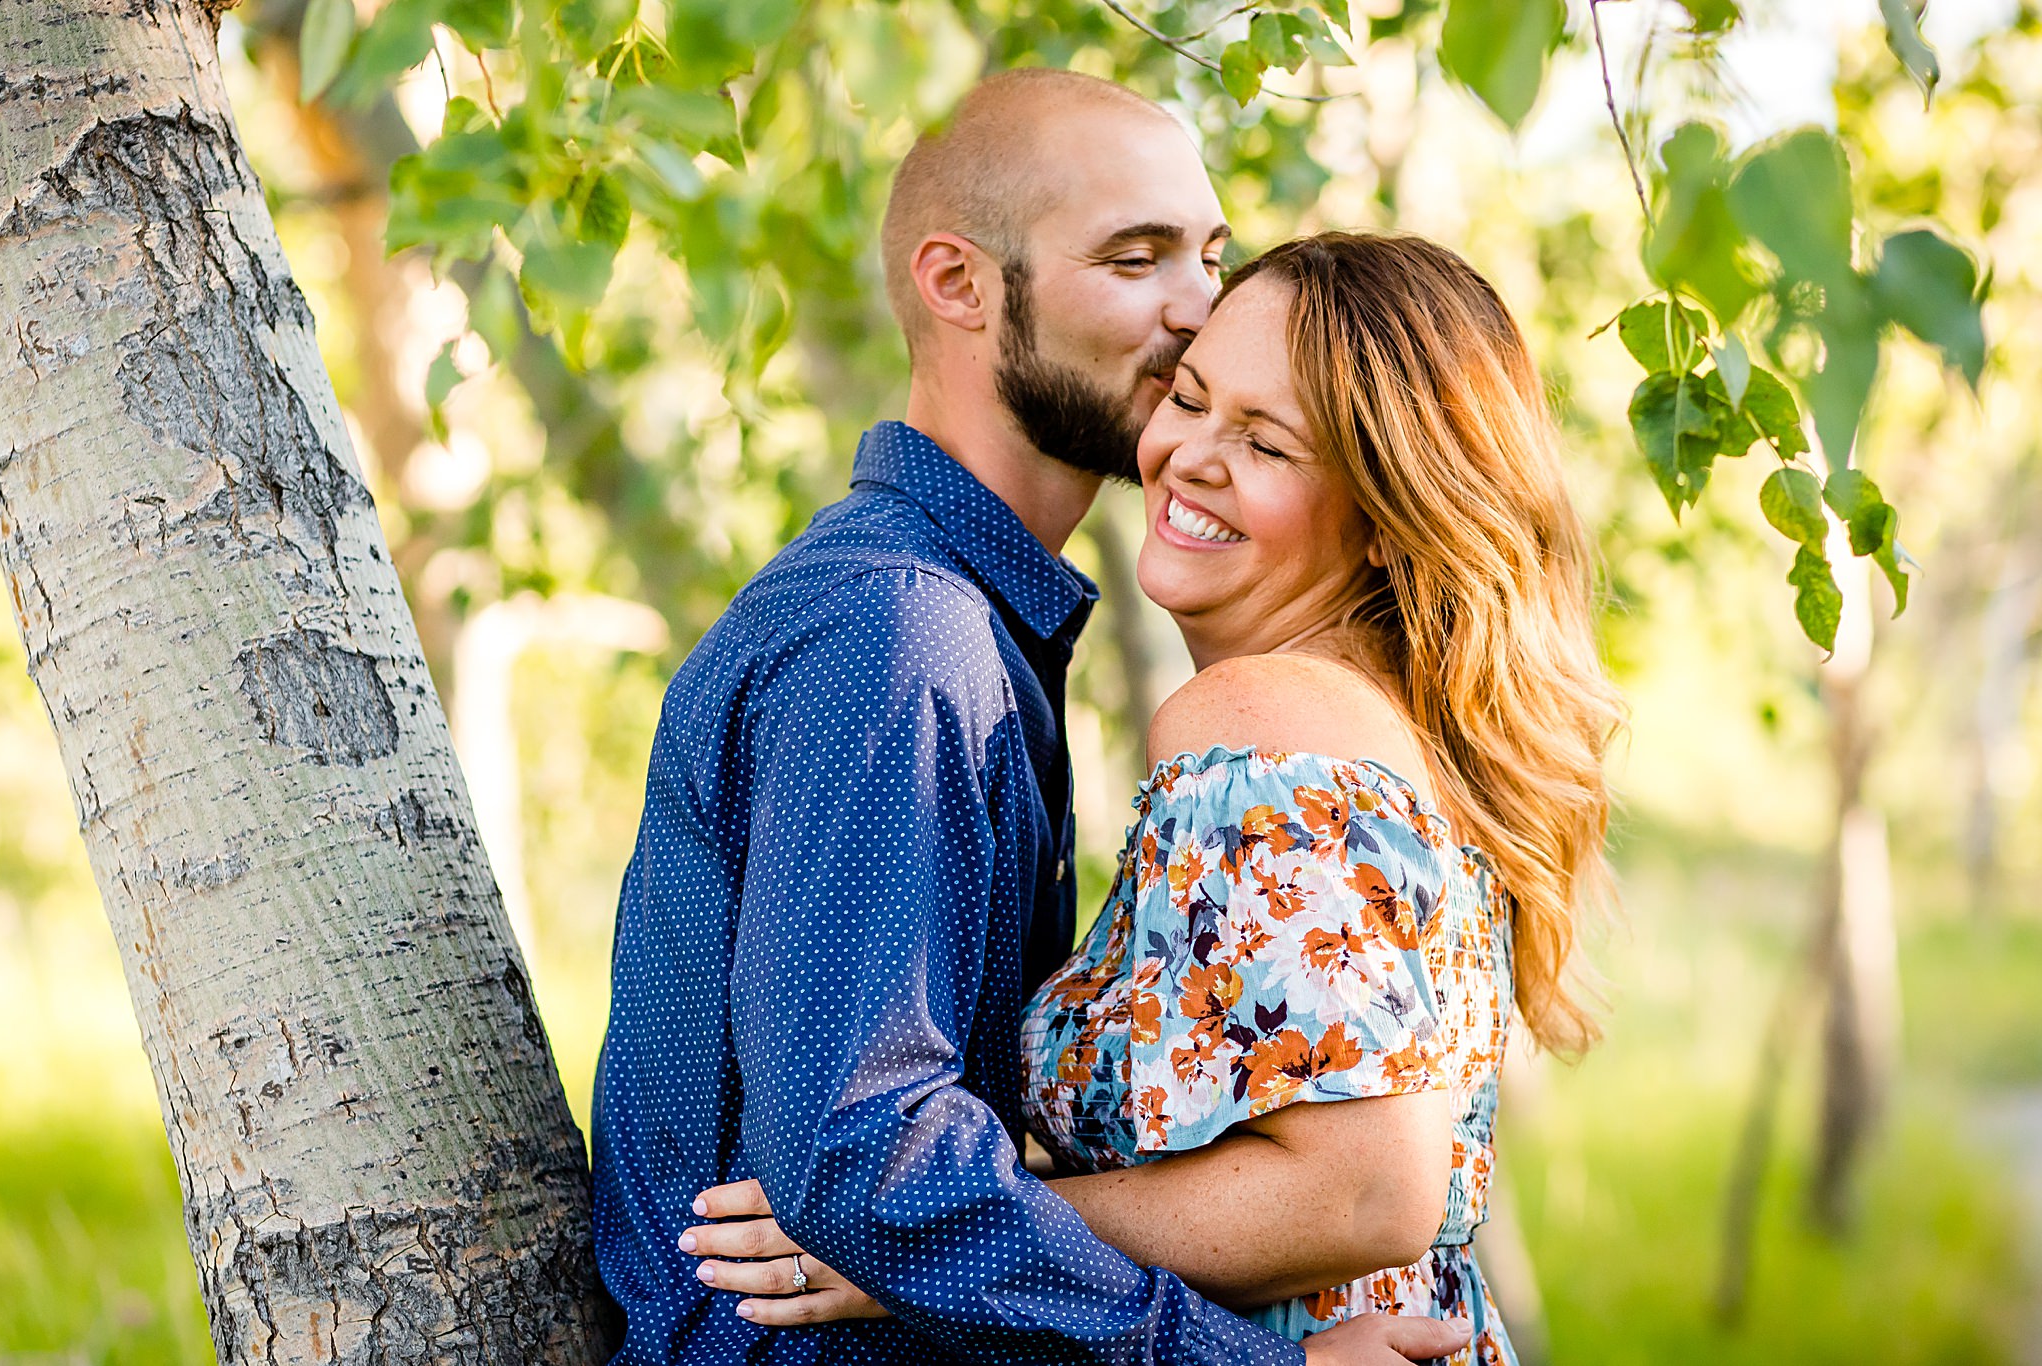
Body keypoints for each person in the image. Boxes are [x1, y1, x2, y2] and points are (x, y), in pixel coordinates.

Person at [593, 66, 1477, 1366]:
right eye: (1136, 259)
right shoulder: (899, 635)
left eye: (1210, 256)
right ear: (959, 284)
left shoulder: (976, 631)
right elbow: (864, 1157)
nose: (1199, 311)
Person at [681, 232, 1623, 1365]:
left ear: (1381, 520)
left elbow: (1366, 1189)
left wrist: (910, 1249)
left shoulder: (1260, 723)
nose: (1189, 456)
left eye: (1267, 442)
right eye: (1188, 397)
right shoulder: (1384, 724)